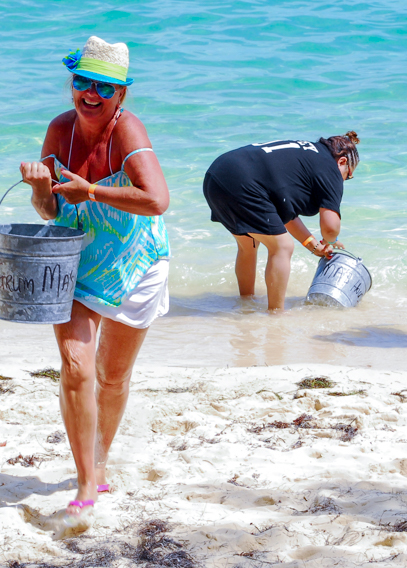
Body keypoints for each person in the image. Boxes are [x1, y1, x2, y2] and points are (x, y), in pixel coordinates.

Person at [19, 36, 171, 523]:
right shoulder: (58, 130)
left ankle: (101, 460)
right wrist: (42, 190)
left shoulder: (128, 132)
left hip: (136, 263)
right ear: (71, 85)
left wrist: (93, 190)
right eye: (82, 81)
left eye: (103, 87)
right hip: (76, 261)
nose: (90, 93)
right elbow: (50, 210)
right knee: (76, 367)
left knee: (111, 377)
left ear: (120, 95)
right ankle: (86, 482)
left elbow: (158, 200)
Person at [203, 133, 360, 311]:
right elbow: (331, 227)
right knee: (283, 247)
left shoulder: (307, 155)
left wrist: (314, 247)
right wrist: (330, 241)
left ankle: (246, 303)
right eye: (348, 176)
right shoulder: (330, 167)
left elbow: (284, 216)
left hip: (217, 174)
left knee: (248, 245)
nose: (344, 181)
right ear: (342, 162)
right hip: (243, 182)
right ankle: (276, 315)